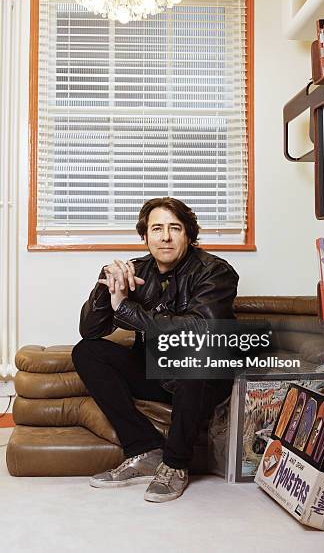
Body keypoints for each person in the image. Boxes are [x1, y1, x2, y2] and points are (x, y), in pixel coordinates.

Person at [72, 197, 239, 502]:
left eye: (175, 228)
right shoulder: (137, 270)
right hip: (158, 373)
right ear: (145, 236)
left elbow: (200, 329)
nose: (165, 236)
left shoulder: (216, 272)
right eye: (157, 228)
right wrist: (107, 285)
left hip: (203, 379)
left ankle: (175, 465)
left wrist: (125, 308)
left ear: (188, 234)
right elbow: (91, 330)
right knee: (87, 351)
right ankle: (145, 449)